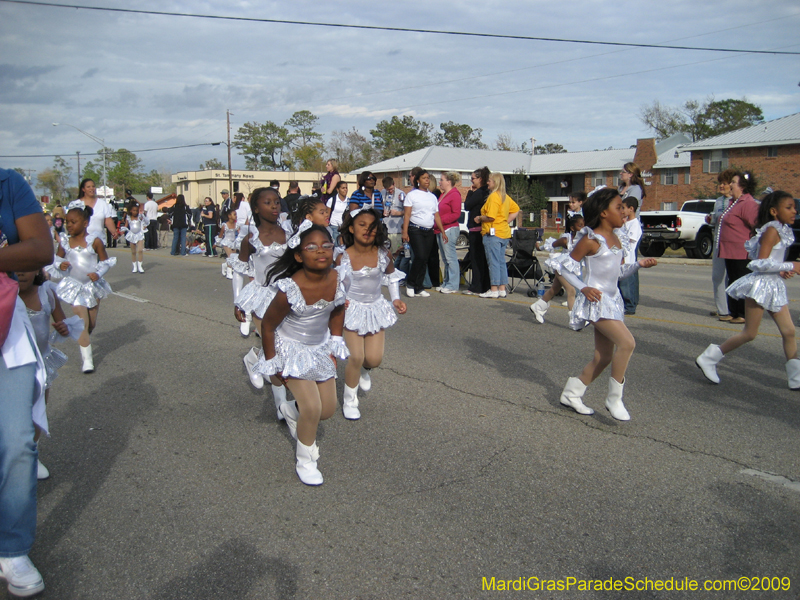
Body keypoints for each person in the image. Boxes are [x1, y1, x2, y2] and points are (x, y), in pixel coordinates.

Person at [551, 188, 658, 421]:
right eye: (619, 208)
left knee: (603, 357)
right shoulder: (591, 240)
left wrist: (638, 265)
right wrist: (583, 288)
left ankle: (572, 393)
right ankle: (614, 398)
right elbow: (563, 267)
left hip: (612, 300)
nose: (624, 212)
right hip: (596, 301)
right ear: (603, 213)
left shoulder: (617, 239)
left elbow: (617, 273)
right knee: (627, 343)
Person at [254, 224, 349, 485]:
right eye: (311, 247)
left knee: (327, 410)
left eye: (326, 245)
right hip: (290, 350)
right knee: (312, 407)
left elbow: (338, 308)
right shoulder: (290, 289)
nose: (320, 251)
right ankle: (306, 460)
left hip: (318, 348)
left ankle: (289, 409)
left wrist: (336, 338)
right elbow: (268, 325)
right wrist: (272, 361)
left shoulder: (338, 278)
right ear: (298, 256)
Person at [0, 169, 53, 598]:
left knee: (17, 441)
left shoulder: (7, 184)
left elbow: (40, 248)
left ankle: (12, 548)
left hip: (5, 329)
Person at [696, 191, 800, 388]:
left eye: (794, 207)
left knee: (789, 331)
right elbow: (759, 263)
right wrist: (790, 266)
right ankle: (709, 358)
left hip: (774, 285)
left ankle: (796, 378)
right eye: (789, 207)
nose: (794, 211)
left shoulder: (781, 228)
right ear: (774, 211)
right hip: (760, 286)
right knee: (749, 333)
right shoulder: (771, 230)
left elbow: (772, 262)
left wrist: (781, 271)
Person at [337, 208, 406, 419]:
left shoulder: (383, 254)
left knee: (373, 359)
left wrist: (395, 298)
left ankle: (365, 370)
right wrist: (342, 298)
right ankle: (350, 400)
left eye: (372, 226)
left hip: (375, 308)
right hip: (352, 310)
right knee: (355, 357)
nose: (367, 230)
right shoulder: (343, 257)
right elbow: (336, 282)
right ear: (351, 228)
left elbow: (391, 277)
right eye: (361, 225)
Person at [235, 188, 293, 417]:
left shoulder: (289, 233)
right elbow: (239, 271)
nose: (274, 206)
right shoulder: (250, 240)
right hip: (262, 299)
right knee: (275, 350)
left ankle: (253, 357)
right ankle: (281, 405)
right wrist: (239, 303)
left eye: (277, 202)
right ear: (256, 208)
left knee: (283, 345)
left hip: (285, 297)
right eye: (268, 202)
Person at [47, 201, 116, 373]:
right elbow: (56, 260)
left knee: (91, 324)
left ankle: (85, 337)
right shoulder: (64, 242)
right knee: (82, 323)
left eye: (73, 222)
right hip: (74, 286)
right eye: (67, 222)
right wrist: (60, 264)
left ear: (85, 223)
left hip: (92, 286)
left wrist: (98, 274)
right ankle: (87, 361)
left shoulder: (95, 241)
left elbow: (105, 262)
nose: (69, 225)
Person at [17, 269, 72, 480]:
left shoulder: (47, 292)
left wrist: (63, 328)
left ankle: (32, 455)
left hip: (41, 363)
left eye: (27, 267)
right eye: (14, 267)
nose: (20, 273)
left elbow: (62, 322)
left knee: (38, 413)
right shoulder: (6, 293)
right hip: (12, 366)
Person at [718, 171, 760, 324]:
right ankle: (733, 311)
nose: (730, 185)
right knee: (732, 282)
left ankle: (742, 313)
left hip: (741, 251)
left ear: (742, 186)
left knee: (741, 281)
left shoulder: (748, 203)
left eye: (733, 182)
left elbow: (756, 225)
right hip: (729, 251)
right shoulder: (733, 203)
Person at [402, 169, 448, 298]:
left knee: (424, 259)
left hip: (429, 230)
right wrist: (405, 232)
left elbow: (436, 215)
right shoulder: (412, 195)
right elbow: (407, 214)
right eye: (424, 178)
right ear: (418, 180)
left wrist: (443, 231)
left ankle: (419, 287)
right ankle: (410, 283)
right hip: (415, 229)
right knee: (420, 256)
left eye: (428, 178)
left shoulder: (432, 197)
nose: (427, 180)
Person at [531, 214, 585, 324]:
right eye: (580, 226)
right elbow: (552, 244)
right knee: (571, 291)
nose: (583, 228)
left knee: (554, 290)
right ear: (572, 228)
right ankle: (575, 319)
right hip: (561, 267)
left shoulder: (584, 240)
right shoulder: (566, 240)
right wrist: (540, 247)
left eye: (584, 225)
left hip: (571, 269)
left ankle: (538, 306)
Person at [474, 172, 519, 299]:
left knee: (493, 261)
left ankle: (494, 288)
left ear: (495, 182)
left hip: (492, 233)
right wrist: (505, 221)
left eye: (489, 181)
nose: (487, 183)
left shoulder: (493, 196)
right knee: (500, 261)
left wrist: (479, 218)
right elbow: (516, 210)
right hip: (504, 232)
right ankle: (502, 289)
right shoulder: (504, 196)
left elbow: (491, 216)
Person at [706, 169, 735, 319]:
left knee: (733, 277)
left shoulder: (739, 201)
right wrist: (711, 219)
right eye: (720, 183)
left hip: (735, 244)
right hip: (718, 242)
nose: (721, 186)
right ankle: (723, 310)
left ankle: (735, 310)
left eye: (724, 183)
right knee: (718, 276)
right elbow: (715, 219)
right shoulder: (718, 201)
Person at [463, 167, 491, 295]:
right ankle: (485, 286)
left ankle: (476, 287)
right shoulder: (487, 192)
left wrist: (470, 193)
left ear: (480, 179)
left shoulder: (479, 192)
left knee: (476, 260)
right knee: (483, 260)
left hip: (476, 230)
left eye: (473, 178)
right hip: (483, 230)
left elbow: (467, 205)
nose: (471, 181)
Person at [436, 172, 462, 294]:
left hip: (449, 229)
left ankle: (453, 284)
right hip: (440, 229)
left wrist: (440, 221)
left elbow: (456, 214)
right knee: (445, 259)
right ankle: (447, 282)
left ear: (449, 182)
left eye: (441, 180)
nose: (439, 182)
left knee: (451, 257)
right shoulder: (443, 195)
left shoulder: (455, 195)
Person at [617, 197, 642, 315]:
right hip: (622, 258)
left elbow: (629, 239)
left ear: (631, 209)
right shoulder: (625, 223)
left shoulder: (634, 224)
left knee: (627, 285)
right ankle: (623, 304)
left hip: (629, 259)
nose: (622, 210)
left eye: (623, 208)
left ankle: (630, 306)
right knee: (621, 283)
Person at [76, 178, 117, 247]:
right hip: (82, 243)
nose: (91, 188)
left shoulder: (102, 203)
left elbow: (107, 220)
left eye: (93, 186)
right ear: (83, 189)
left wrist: (114, 232)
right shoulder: (76, 204)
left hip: (99, 242)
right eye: (88, 187)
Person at [122, 201, 149, 273]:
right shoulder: (128, 217)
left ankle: (140, 266)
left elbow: (146, 222)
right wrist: (123, 230)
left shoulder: (140, 216)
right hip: (132, 235)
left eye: (136, 210)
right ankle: (134, 266)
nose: (135, 212)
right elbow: (126, 225)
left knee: (140, 250)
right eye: (133, 210)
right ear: (130, 210)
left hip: (139, 235)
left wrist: (143, 228)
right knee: (133, 251)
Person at [382, 177, 406, 253]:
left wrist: (398, 213)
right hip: (385, 230)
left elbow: (408, 211)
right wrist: (382, 212)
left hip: (397, 230)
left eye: (391, 189)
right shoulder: (382, 193)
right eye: (388, 190)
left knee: (396, 253)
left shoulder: (401, 194)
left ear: (394, 184)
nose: (390, 191)